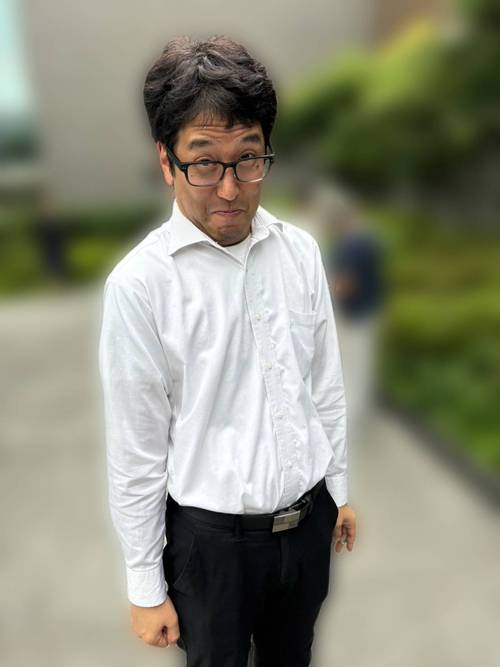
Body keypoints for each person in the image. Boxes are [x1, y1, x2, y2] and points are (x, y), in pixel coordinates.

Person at [98, 36, 357, 667]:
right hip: (211, 547)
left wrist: (338, 490)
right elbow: (136, 446)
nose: (231, 188)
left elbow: (323, 383)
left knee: (295, 656)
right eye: (205, 162)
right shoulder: (141, 284)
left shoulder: (299, 251)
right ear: (167, 162)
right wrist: (144, 585)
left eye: (248, 158)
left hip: (307, 525)